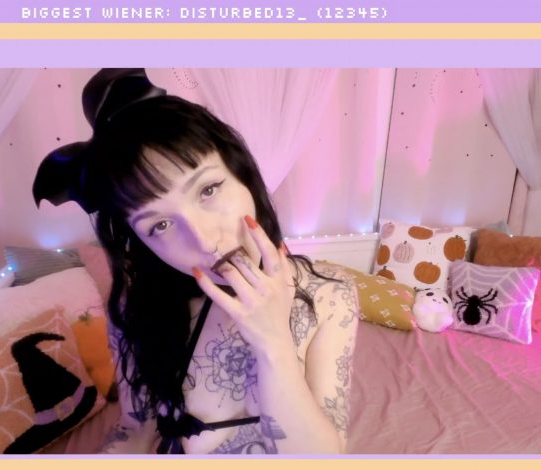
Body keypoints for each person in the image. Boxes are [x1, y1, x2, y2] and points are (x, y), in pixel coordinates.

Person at [33, 69, 358, 454]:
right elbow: (134, 430)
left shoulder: (329, 295)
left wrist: (273, 343)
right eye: (160, 225)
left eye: (208, 190)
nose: (205, 241)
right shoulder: (138, 309)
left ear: (241, 172)